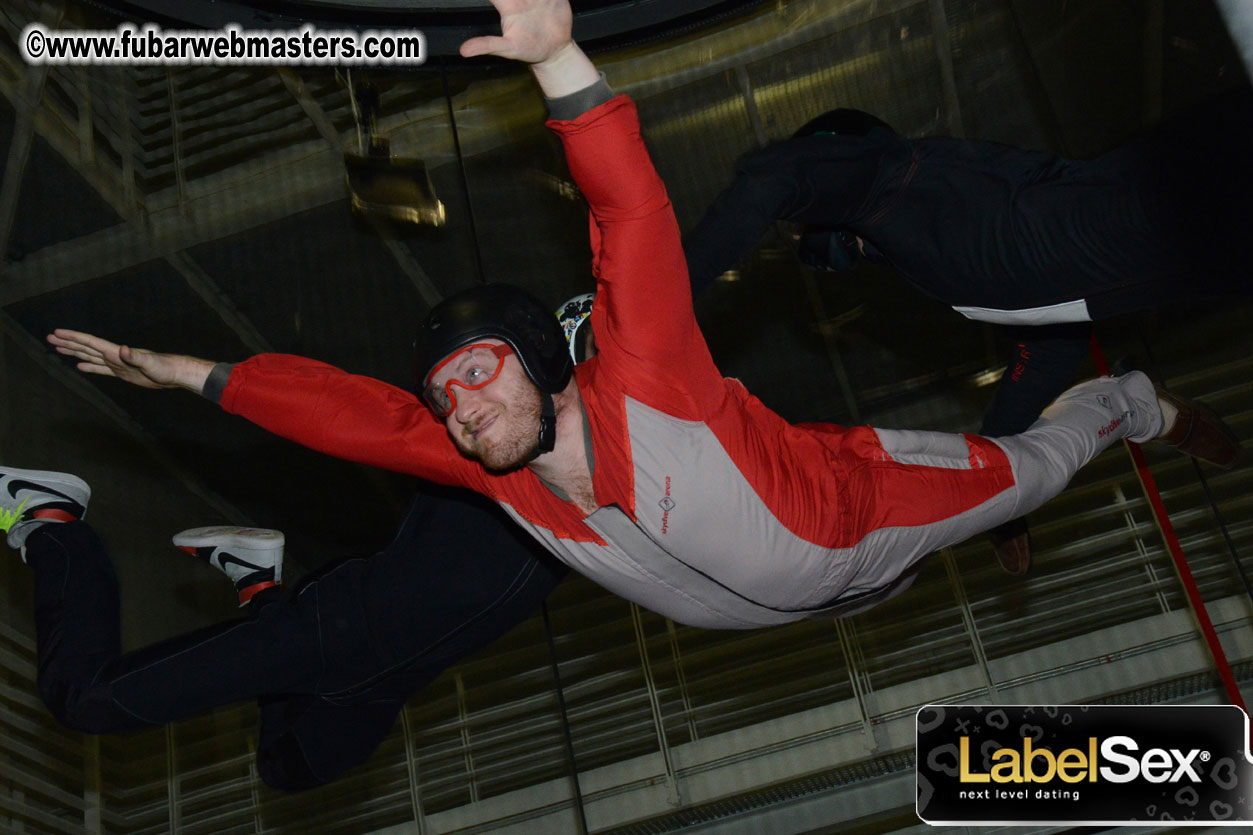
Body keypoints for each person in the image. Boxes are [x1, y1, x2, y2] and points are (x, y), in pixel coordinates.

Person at [45, 0, 1239, 632]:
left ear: (537, 365)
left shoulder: (641, 369)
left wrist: (562, 68)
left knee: (1027, 472)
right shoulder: (495, 475)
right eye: (449, 399)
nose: (462, 411)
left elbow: (633, 219)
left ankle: (1131, 403)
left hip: (858, 506)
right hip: (803, 603)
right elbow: (344, 416)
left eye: (478, 377)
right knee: (887, 589)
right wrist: (183, 369)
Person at [681, 95, 1253, 573]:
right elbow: (1053, 341)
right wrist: (1000, 478)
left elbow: (769, 181)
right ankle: (1149, 407)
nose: (810, 244)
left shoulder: (893, 179)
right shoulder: (923, 252)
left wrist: (650, 298)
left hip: (1183, 196)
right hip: (1186, 256)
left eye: (804, 228)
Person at [0, 463, 565, 790]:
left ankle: (257, 584)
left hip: (390, 672)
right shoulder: (510, 448)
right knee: (82, 699)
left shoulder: (601, 514)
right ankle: (52, 520)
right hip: (337, 629)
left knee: (289, 767)